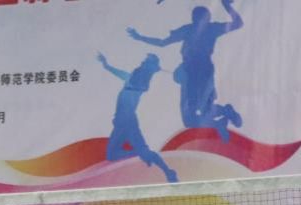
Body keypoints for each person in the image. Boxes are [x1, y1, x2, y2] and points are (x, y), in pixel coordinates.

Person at [127, 0, 244, 140]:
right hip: (195, 71)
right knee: (195, 115)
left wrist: (226, 5)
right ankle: (221, 118)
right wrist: (140, 37)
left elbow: (162, 43)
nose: (199, 22)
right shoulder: (202, 29)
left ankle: (222, 116)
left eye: (201, 19)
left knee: (195, 114)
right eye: (197, 19)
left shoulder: (205, 29)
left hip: (197, 72)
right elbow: (162, 42)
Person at [95, 52, 178, 181]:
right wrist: (106, 65)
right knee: (112, 155)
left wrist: (151, 68)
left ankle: (167, 171)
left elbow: (136, 79)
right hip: (121, 121)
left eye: (145, 61)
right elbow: (122, 74)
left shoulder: (139, 85)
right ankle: (142, 154)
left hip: (127, 121)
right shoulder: (132, 81)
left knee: (123, 153)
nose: (141, 63)